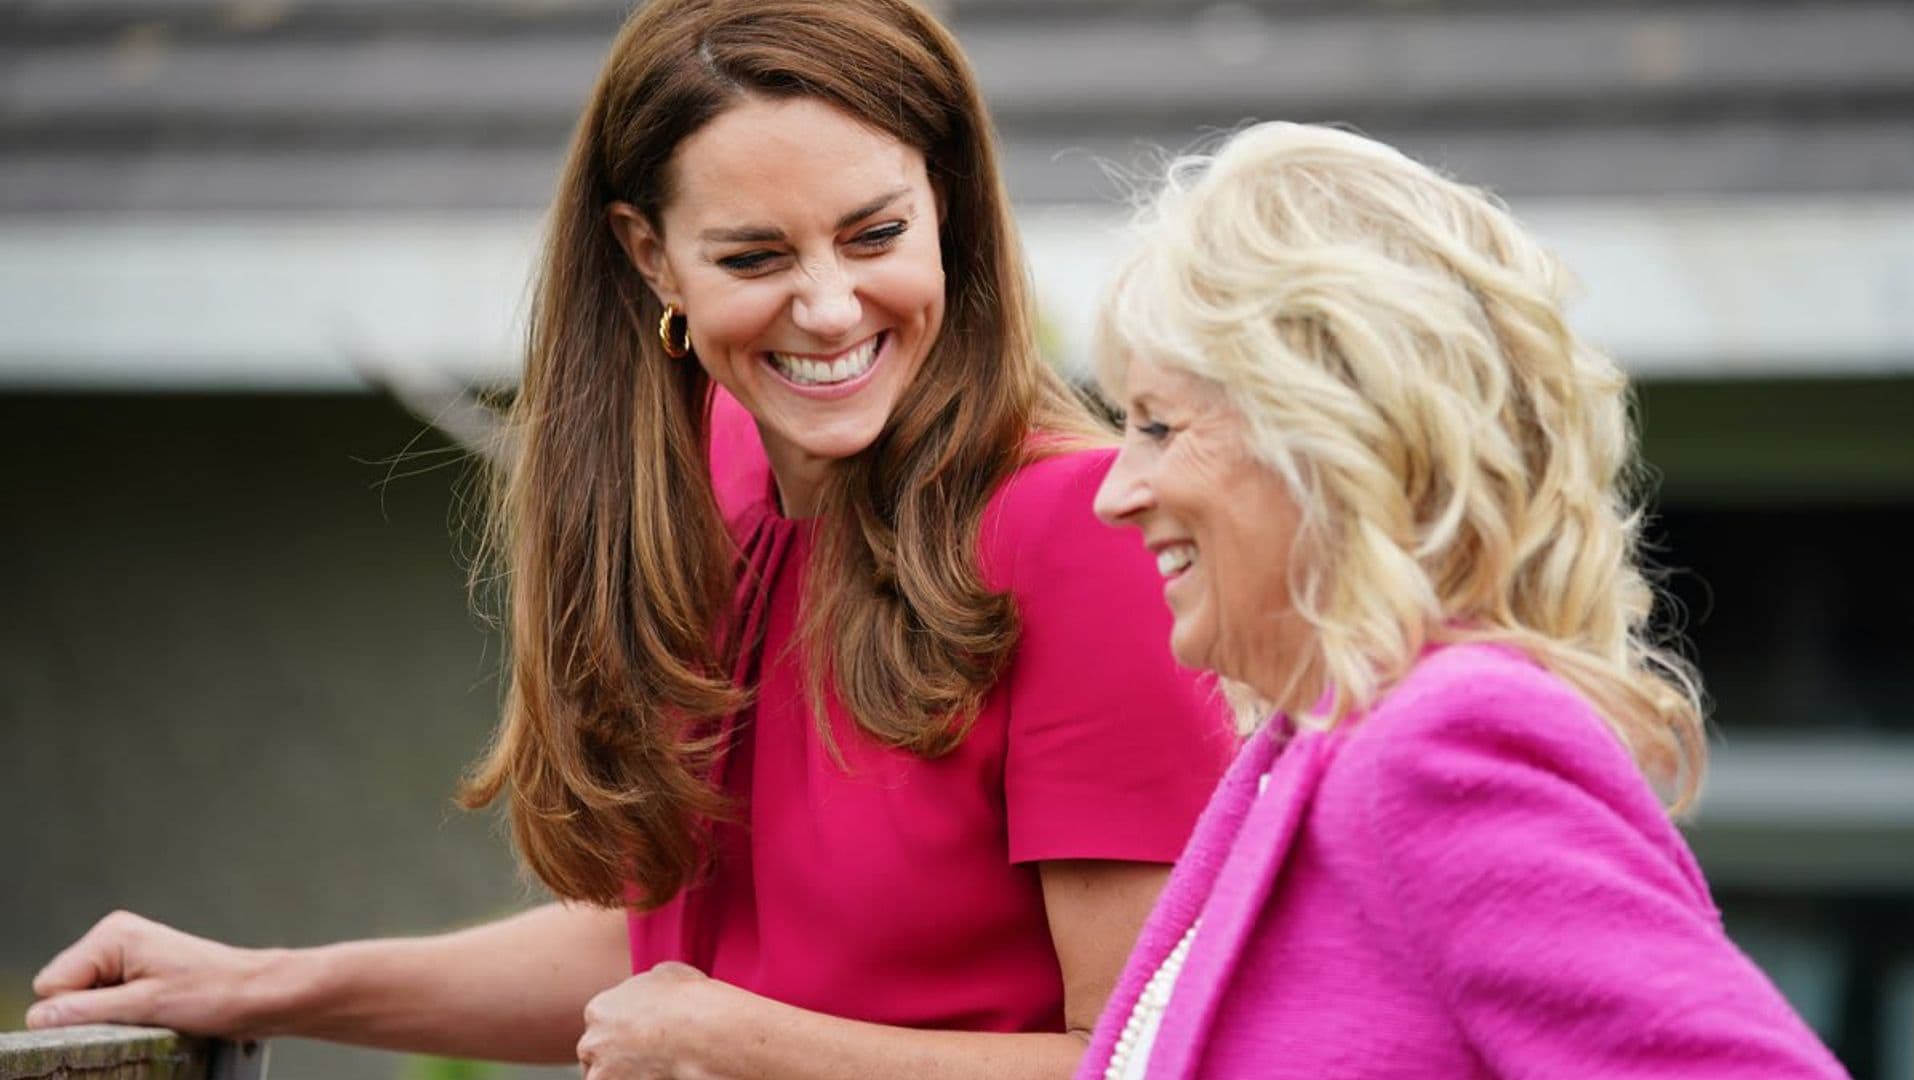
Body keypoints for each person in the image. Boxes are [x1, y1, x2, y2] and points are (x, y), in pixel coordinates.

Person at [26, 1, 1233, 1076]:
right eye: (754, 255)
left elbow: (1147, 1057)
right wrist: (265, 984)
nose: (827, 307)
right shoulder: (711, 478)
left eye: (874, 235)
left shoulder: (1080, 532)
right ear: (650, 254)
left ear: (948, 208)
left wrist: (744, 1044)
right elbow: (662, 957)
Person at [1081, 122, 1848, 1079]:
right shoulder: (1303, 751)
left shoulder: (1438, 739)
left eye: (1158, 426)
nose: (1115, 494)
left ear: (1328, 435)